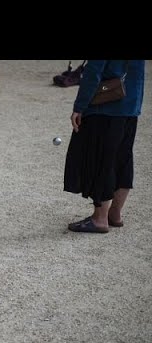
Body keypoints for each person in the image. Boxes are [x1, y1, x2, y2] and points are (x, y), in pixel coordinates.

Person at [64, 60, 145, 233]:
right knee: (123, 158)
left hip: (107, 104)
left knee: (103, 159)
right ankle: (114, 213)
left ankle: (100, 217)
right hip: (131, 101)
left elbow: (94, 70)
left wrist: (80, 106)